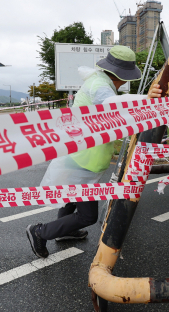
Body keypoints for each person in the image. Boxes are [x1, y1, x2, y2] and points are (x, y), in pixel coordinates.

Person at [26, 45, 155, 258]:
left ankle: (64, 232)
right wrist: (146, 100)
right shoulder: (101, 87)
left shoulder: (98, 81)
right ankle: (40, 232)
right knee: (88, 216)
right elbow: (109, 105)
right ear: (122, 75)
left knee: (70, 196)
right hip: (82, 159)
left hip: (78, 154)